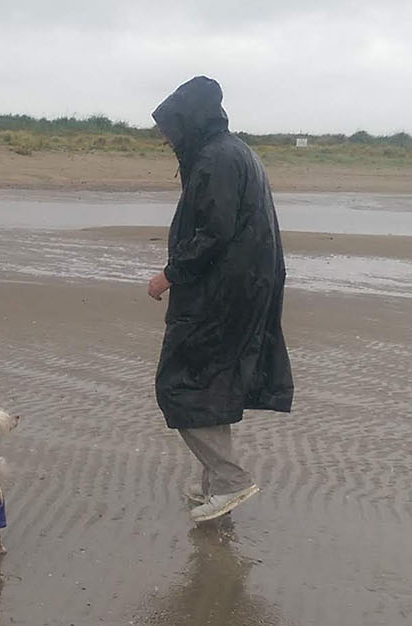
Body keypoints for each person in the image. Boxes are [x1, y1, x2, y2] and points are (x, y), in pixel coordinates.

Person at [146, 76, 294, 522]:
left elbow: (214, 234)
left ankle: (230, 479)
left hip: (225, 291)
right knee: (209, 383)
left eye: (170, 127)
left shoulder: (215, 159)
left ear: (189, 120)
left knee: (178, 385)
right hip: (245, 286)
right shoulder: (234, 150)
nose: (166, 137)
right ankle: (216, 484)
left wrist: (169, 275)